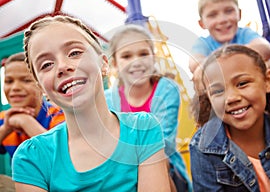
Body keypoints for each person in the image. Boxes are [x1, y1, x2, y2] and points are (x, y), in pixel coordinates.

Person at [12, 15, 171, 191]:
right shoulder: (31, 157)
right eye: (47, 64)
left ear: (103, 63)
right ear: (40, 87)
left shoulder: (143, 129)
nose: (63, 66)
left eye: (75, 53)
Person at [189, 44, 270, 191]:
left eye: (242, 84)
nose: (231, 98)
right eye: (218, 91)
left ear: (267, 81)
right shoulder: (203, 147)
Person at [104, 24, 192, 192]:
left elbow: (163, 141)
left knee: (156, 159)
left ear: (153, 57)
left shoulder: (166, 89)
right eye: (127, 56)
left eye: (143, 54)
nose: (136, 62)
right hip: (122, 169)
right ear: (115, 63)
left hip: (165, 166)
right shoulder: (108, 99)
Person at [188, 0, 270, 73]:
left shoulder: (244, 34)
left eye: (229, 11)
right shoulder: (203, 43)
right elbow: (195, 64)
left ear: (239, 14)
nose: (222, 20)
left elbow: (265, 48)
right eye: (212, 15)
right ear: (202, 23)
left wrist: (218, 63)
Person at [0, 52, 65, 158]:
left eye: (26, 80)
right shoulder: (4, 119)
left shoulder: (58, 115)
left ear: (42, 85)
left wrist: (26, 122)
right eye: (9, 81)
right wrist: (6, 128)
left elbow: (61, 156)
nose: (15, 87)